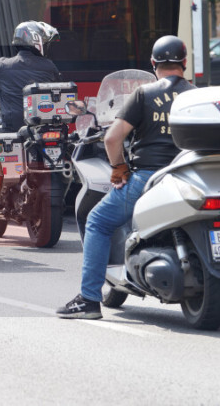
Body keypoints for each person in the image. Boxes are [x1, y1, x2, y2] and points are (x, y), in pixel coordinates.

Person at [57, 35, 195, 319]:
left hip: (149, 179)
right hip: (191, 178)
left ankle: (89, 299)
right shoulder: (196, 94)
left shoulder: (144, 94)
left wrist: (119, 168)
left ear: (153, 63)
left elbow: (112, 138)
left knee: (97, 221)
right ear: (184, 62)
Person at [0, 21, 62, 243]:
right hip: (42, 131)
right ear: (36, 41)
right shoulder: (49, 67)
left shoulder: (2, 66)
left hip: (11, 130)